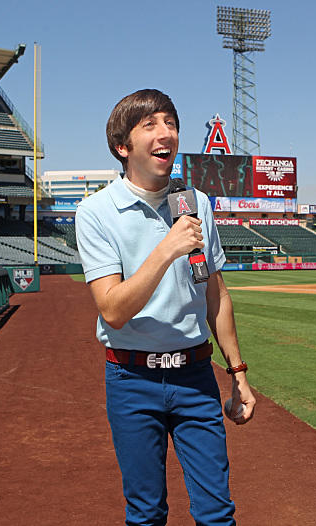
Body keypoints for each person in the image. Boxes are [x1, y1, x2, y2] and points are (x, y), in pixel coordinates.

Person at [75, 88, 255, 526]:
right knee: (146, 513)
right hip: (131, 378)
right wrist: (166, 249)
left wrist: (238, 374)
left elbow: (216, 294)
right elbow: (113, 310)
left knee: (217, 513)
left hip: (196, 377)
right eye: (150, 125)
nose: (166, 134)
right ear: (123, 146)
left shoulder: (196, 204)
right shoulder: (96, 212)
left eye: (171, 124)